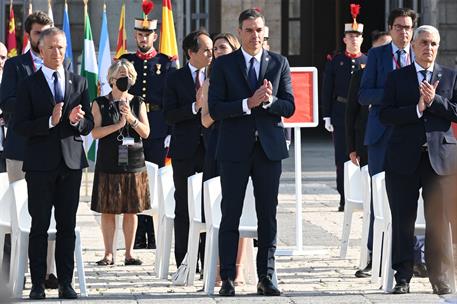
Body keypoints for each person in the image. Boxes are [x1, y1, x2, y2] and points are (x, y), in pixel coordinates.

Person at [208, 9, 295, 296]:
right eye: (249, 30)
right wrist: (248, 102)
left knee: (267, 215)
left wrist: (269, 102)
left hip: (268, 149)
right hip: (234, 148)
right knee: (230, 212)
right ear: (240, 32)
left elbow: (290, 106)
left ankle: (266, 277)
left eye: (259, 30)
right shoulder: (223, 65)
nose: (255, 36)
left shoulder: (278, 63)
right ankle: (229, 277)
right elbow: (217, 108)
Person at [14, 27, 94, 300]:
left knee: (66, 227)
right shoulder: (28, 84)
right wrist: (49, 121)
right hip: (39, 165)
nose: (57, 53)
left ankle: (65, 283)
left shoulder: (79, 82)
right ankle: (37, 284)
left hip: (70, 164)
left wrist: (75, 121)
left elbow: (88, 125)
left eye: (61, 47)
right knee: (39, 226)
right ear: (40, 49)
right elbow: (20, 126)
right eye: (51, 48)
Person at [380, 25, 457, 295]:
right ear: (413, 46)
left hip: (440, 160)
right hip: (403, 157)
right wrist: (416, 109)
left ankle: (440, 277)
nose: (429, 48)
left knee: (439, 221)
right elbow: (385, 114)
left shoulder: (450, 76)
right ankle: (403, 275)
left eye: (434, 43)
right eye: (423, 43)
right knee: (403, 218)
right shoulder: (397, 78)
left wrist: (435, 101)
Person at [0, 11, 68, 290]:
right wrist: (41, 114)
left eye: (48, 33)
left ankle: (49, 271)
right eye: (39, 33)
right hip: (22, 149)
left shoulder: (61, 65)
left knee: (51, 214)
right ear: (30, 36)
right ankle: (12, 268)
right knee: (18, 212)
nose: (45, 39)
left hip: (54, 151)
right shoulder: (17, 66)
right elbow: (9, 104)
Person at [359, 7, 428, 278]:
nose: (403, 32)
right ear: (390, 29)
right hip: (381, 135)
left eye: (408, 27)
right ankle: (374, 254)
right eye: (398, 27)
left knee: (413, 199)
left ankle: (415, 256)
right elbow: (364, 94)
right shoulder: (377, 55)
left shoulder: (421, 54)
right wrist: (393, 94)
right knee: (380, 198)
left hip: (411, 137)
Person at [120, 4, 176, 250]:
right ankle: (138, 235)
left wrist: (170, 132)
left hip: (158, 127)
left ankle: (153, 233)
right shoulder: (126, 61)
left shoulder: (167, 62)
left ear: (155, 36)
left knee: (155, 180)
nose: (143, 39)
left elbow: (173, 99)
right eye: (140, 35)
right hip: (130, 126)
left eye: (148, 35)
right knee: (134, 179)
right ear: (135, 36)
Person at [91, 59, 150, 267]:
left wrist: (131, 119)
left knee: (130, 208)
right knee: (108, 208)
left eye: (128, 76)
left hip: (133, 160)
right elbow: (95, 132)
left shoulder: (138, 102)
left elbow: (146, 132)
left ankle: (129, 253)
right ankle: (109, 253)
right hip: (108, 161)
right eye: (121, 76)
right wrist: (118, 125)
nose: (125, 79)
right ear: (111, 79)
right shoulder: (100, 103)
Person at [199, 33, 248, 286]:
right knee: (220, 210)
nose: (218, 51)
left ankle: (237, 267)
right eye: (215, 48)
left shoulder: (245, 77)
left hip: (241, 145)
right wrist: (226, 109)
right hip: (217, 144)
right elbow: (206, 119)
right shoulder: (209, 82)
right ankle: (218, 267)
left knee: (240, 209)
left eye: (223, 47)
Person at [163, 30, 212, 268]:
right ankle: (185, 262)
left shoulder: (218, 74)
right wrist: (195, 106)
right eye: (205, 50)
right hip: (184, 150)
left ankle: (208, 260)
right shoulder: (175, 78)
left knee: (208, 205)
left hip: (211, 149)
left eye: (212, 49)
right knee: (184, 204)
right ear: (191, 52)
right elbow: (169, 114)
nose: (210, 54)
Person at [346, 30, 391, 278]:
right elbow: (351, 111)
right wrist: (351, 146)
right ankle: (375, 255)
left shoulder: (410, 67)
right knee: (376, 202)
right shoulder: (362, 71)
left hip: (404, 141)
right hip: (372, 141)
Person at [322, 5, 367, 211]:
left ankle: (363, 195)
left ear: (362, 39)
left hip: (362, 113)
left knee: (362, 155)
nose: (354, 39)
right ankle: (344, 196)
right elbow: (327, 88)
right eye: (350, 36)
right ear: (344, 39)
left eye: (357, 36)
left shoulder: (368, 61)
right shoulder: (336, 61)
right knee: (342, 158)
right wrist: (327, 115)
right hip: (340, 112)